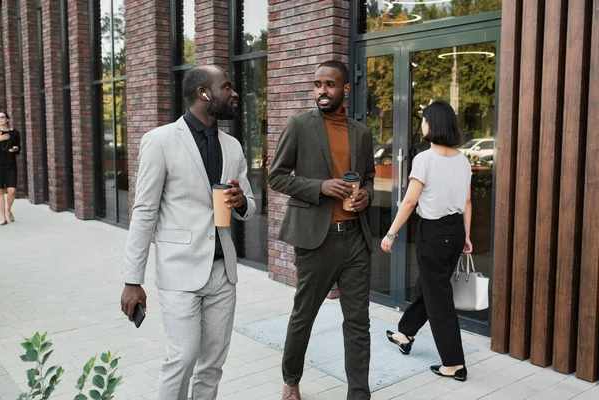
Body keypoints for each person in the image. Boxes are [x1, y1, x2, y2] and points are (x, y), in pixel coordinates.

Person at [120, 65, 255, 400]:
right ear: (204, 94)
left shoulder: (233, 146)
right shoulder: (160, 141)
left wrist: (240, 203)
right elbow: (145, 212)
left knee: (212, 364)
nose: (234, 93)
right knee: (182, 358)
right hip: (179, 270)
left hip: (223, 274)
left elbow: (249, 204)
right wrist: (132, 279)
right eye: (227, 87)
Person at [268, 60, 376, 400]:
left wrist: (367, 196)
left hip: (356, 238)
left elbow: (369, 175)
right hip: (316, 240)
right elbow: (276, 176)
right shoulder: (300, 125)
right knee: (304, 315)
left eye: (329, 85)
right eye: (317, 84)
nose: (321, 91)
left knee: (358, 322)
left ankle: (359, 394)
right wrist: (319, 187)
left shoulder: (361, 132)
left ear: (345, 89)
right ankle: (291, 379)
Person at [381, 101, 472, 382]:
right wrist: (466, 236)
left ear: (433, 125)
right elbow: (467, 201)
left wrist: (391, 233)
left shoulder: (425, 159)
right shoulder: (464, 159)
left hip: (433, 234)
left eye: (423, 120)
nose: (421, 124)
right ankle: (405, 333)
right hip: (455, 231)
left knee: (439, 298)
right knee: (431, 286)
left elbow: (409, 202)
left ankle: (454, 363)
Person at [0, 111, 21, 226]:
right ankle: (3, 217)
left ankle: (9, 210)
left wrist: (15, 149)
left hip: (10, 164)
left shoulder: (15, 132)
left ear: (7, 119)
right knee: (0, 191)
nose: (0, 119)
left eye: (2, 117)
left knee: (12, 191)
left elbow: (18, 147)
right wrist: (0, 139)